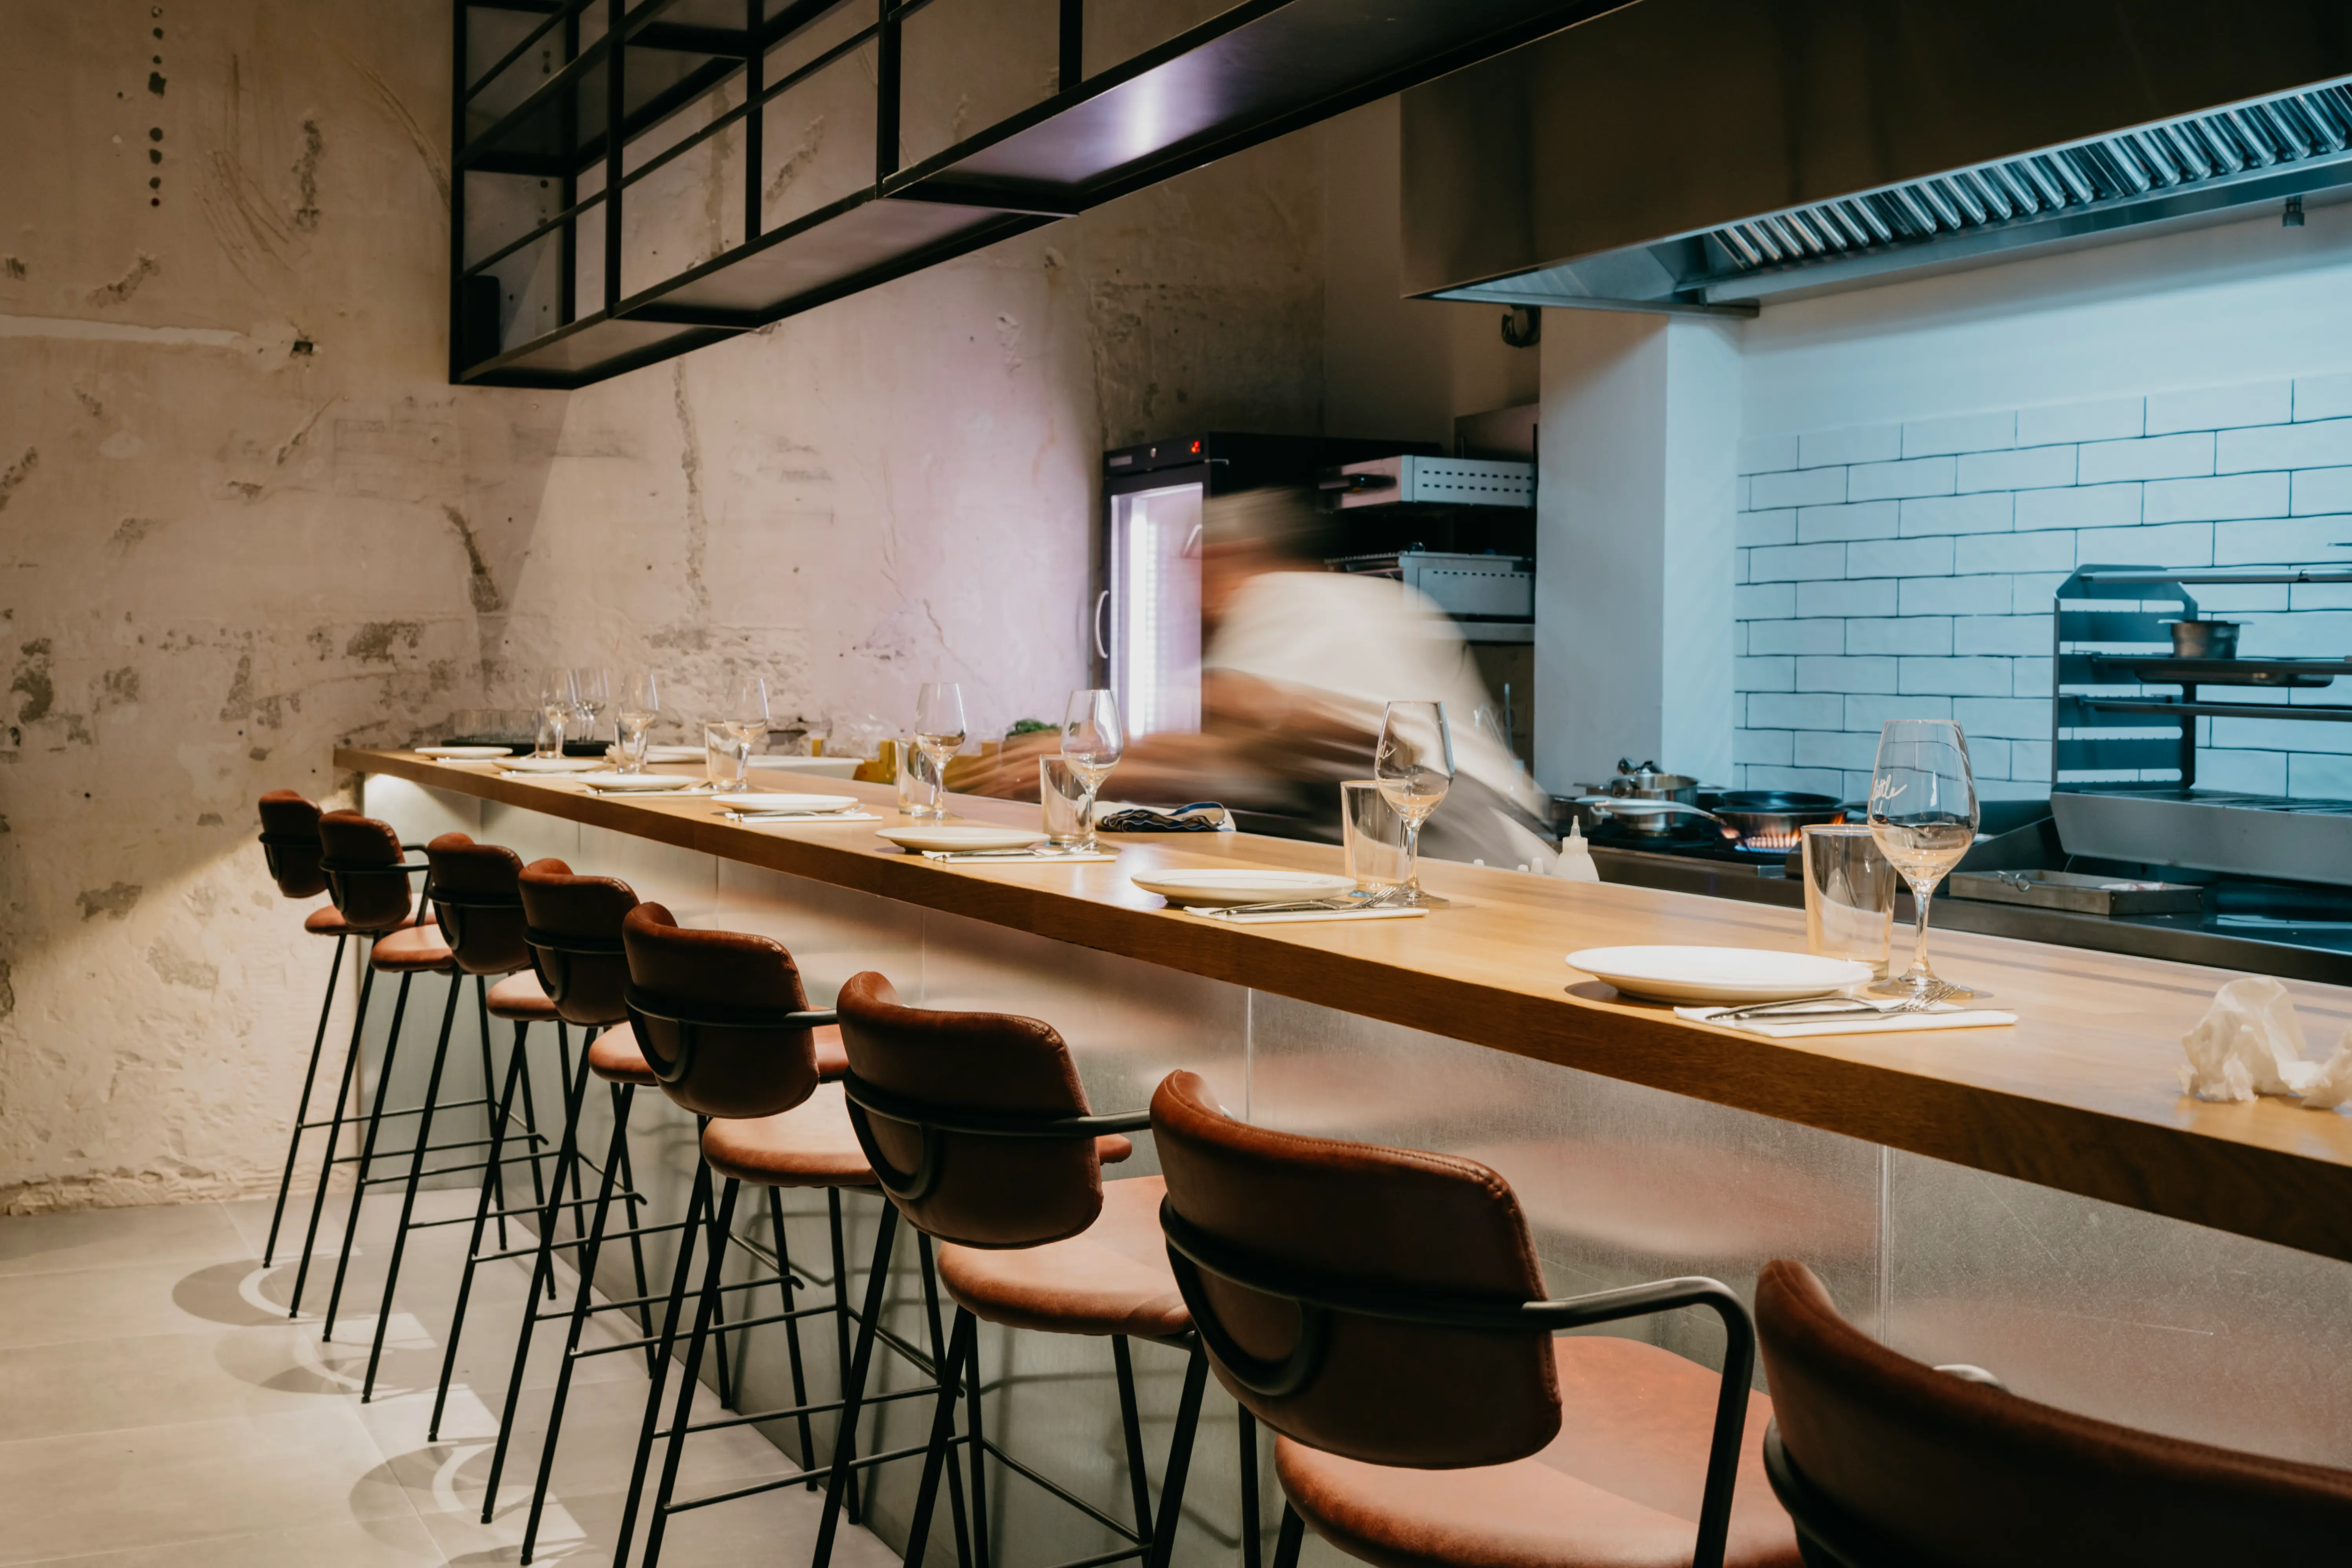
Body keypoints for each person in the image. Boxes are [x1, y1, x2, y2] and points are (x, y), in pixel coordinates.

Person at [969, 485, 1558, 873]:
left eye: (1198, 570)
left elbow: (1235, 752)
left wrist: (1074, 765)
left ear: (1239, 554)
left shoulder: (1279, 597)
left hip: (1459, 842)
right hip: (1447, 842)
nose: (1191, 596)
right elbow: (1264, 754)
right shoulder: (1348, 601)